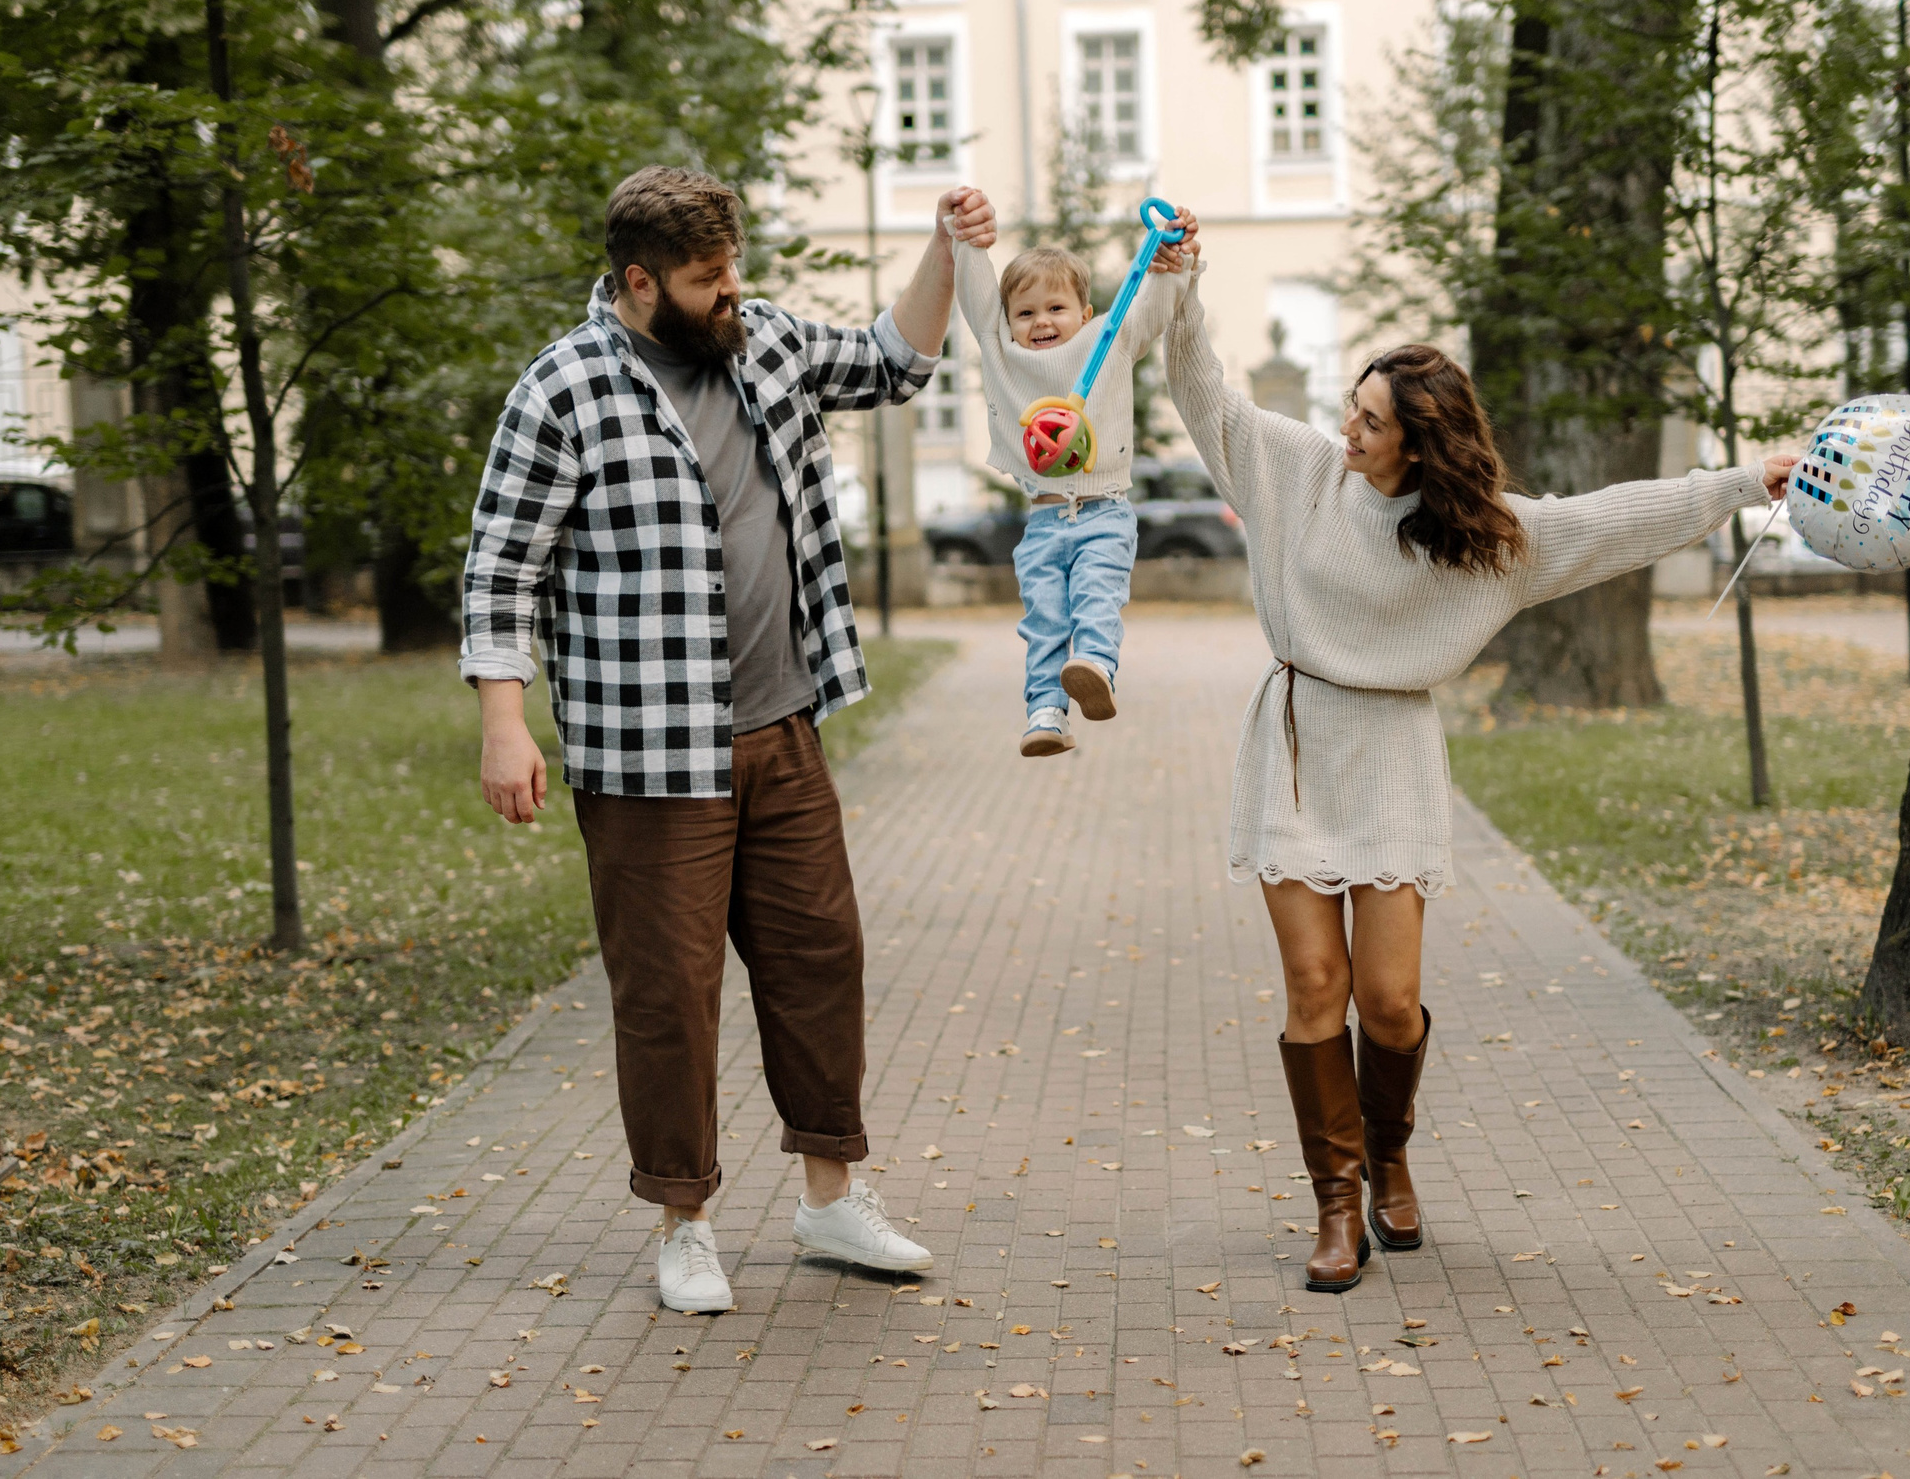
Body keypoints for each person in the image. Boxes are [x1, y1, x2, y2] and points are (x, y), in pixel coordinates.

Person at [1158, 213, 1796, 1292]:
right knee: (1315, 982)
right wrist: (1184, 284)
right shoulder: (1297, 473)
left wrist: (1743, 482)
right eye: (1350, 409)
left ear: (1419, 443)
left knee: (1390, 1001)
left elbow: (1615, 518)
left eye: (1368, 421)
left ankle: (1390, 1155)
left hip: (1394, 751)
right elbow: (1204, 393)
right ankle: (1333, 1206)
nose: (1346, 430)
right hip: (1301, 741)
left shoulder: (1488, 540)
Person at [459, 166, 993, 1312]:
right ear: (640, 282)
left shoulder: (768, 346)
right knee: (670, 994)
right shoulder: (563, 389)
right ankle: (684, 1221)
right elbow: (500, 568)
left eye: (734, 268)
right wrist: (505, 727)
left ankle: (829, 1200)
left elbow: (894, 359)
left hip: (781, 730)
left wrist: (945, 248)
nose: (731, 292)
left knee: (818, 964)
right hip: (647, 758)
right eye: (708, 278)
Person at [950, 197, 1188, 757]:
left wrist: (1177, 262)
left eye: (1055, 307)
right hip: (1043, 521)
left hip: (1105, 512)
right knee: (1044, 619)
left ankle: (1096, 668)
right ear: (1007, 322)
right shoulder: (1000, 352)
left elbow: (1152, 306)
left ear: (1085, 314)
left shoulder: (1109, 340)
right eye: (1025, 312)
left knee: (1096, 595)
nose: (1041, 322)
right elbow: (977, 296)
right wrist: (967, 239)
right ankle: (1045, 714)